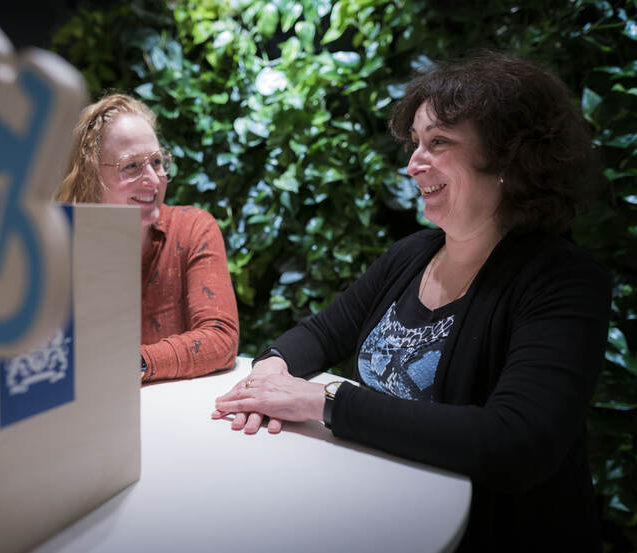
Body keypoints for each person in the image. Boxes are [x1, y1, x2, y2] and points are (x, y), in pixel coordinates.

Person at [213, 51, 610, 552]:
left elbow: (516, 442)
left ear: (511, 158)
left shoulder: (563, 280)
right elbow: (321, 332)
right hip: (384, 519)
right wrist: (272, 369)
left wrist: (320, 400)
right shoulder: (413, 254)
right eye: (416, 143)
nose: (412, 164)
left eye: (438, 143)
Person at [56, 93, 239, 382]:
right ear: (90, 174)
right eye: (131, 166)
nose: (154, 181)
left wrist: (133, 363)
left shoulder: (192, 229)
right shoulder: (59, 245)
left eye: (156, 161)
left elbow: (220, 338)